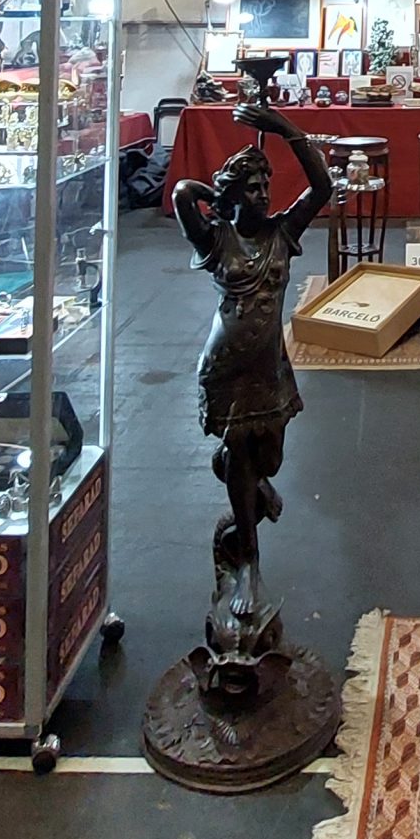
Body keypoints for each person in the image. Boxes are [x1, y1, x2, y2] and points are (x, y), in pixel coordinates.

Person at [171, 103, 332, 677]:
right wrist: (214, 196)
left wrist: (286, 130)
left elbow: (322, 187)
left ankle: (245, 482)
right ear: (234, 194)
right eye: (254, 187)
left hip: (270, 368)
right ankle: (249, 566)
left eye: (267, 185)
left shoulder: (284, 232)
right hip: (226, 370)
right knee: (242, 454)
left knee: (270, 459)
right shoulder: (215, 240)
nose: (265, 194)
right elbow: (181, 195)